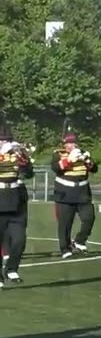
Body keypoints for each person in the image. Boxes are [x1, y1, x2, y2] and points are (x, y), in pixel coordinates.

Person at [50, 119, 98, 258]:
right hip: (65, 193)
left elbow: (94, 169)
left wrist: (87, 161)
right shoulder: (58, 154)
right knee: (65, 223)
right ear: (64, 144)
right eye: (70, 143)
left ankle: (79, 240)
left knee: (89, 218)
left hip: (82, 192)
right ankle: (65, 248)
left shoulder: (83, 153)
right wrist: (69, 160)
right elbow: (56, 168)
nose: (73, 145)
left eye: (74, 142)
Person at [0, 122, 34, 285]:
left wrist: (22, 156)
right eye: (1, 140)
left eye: (7, 140)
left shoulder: (15, 154)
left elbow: (28, 173)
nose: (5, 143)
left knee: (19, 240)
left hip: (15, 199)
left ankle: (12, 268)